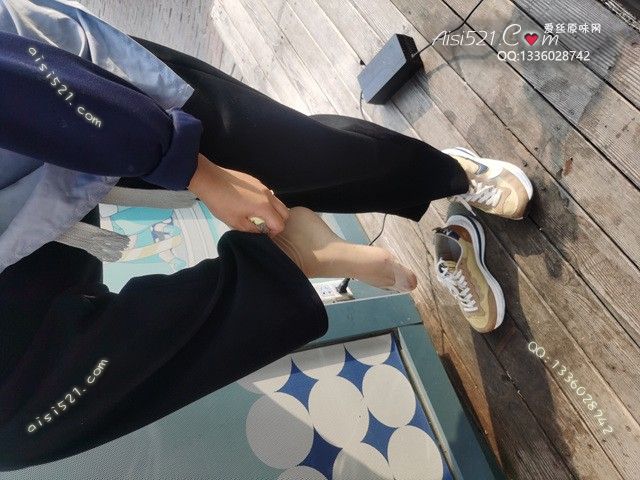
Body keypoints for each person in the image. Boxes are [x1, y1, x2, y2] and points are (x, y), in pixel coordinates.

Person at [0, 0, 532, 470]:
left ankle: (450, 173)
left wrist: (192, 166)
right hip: (17, 232)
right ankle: (291, 257)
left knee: (298, 159)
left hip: (50, 90)